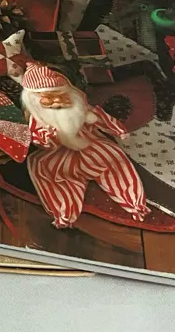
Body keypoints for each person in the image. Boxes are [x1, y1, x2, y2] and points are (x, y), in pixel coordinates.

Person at [18, 61, 149, 227]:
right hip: (58, 152)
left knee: (113, 159)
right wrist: (49, 137)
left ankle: (135, 203)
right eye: (48, 97)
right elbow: (40, 140)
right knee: (50, 173)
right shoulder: (39, 119)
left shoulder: (79, 107)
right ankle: (64, 213)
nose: (56, 101)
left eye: (60, 94)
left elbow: (99, 117)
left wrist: (117, 129)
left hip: (90, 143)